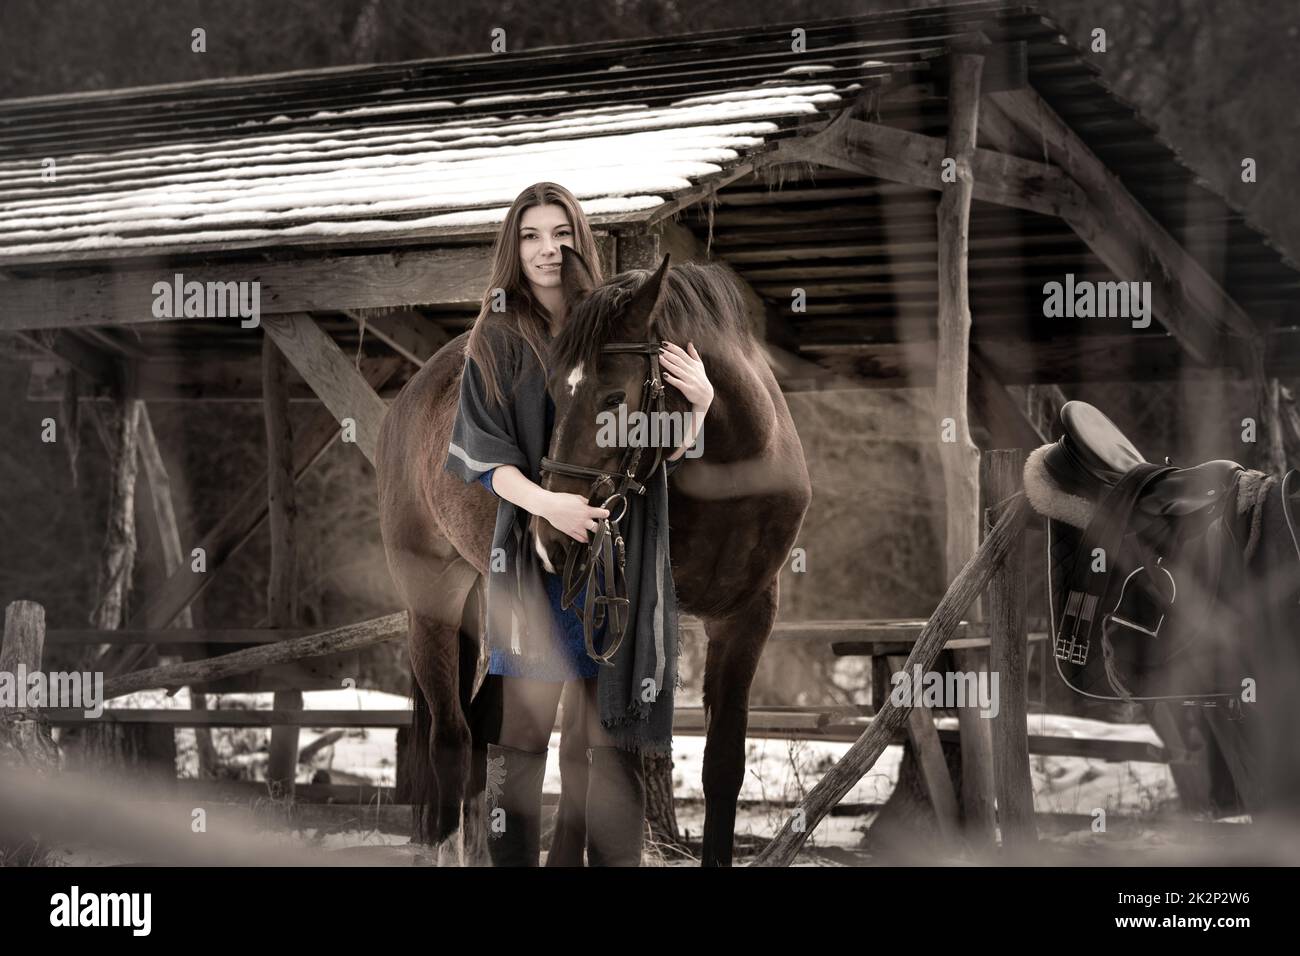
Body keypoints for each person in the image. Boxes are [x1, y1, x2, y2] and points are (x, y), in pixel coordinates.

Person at [444, 182, 713, 866]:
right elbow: (484, 459)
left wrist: (701, 407)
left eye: (559, 233)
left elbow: (654, 445)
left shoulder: (622, 323)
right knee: (523, 740)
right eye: (531, 235)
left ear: (578, 239)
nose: (546, 249)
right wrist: (548, 505)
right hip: (536, 554)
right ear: (514, 246)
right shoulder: (498, 336)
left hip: (617, 566)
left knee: (608, 741)